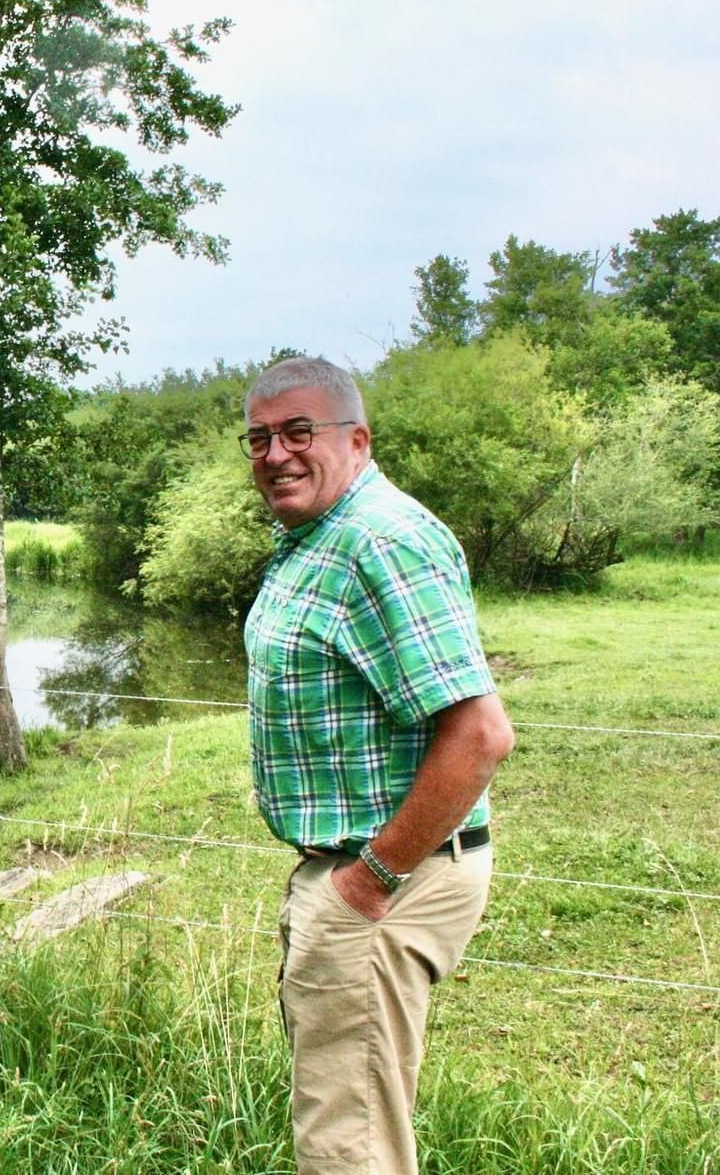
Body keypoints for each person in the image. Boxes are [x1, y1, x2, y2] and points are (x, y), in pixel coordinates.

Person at [240, 356, 514, 1175]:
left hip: (387, 882)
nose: (276, 453)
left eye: (298, 432)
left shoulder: (380, 541)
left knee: (347, 1146)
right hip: (359, 875)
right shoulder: (319, 537)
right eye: (258, 438)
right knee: (351, 1120)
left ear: (356, 439)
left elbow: (479, 735)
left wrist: (366, 882)